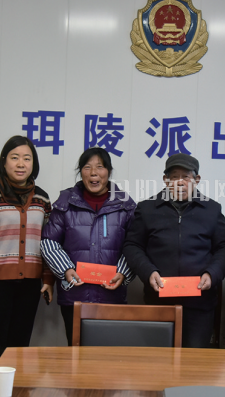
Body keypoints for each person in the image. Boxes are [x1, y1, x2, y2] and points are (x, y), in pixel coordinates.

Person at [123, 153, 225, 348]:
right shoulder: (147, 209)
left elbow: (224, 247)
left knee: (194, 360)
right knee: (159, 360)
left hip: (200, 303)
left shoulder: (212, 210)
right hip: (159, 301)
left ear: (197, 179)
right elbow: (132, 245)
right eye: (174, 177)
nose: (180, 182)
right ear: (166, 180)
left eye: (186, 177)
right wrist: (148, 272)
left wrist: (212, 273)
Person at [0, 135, 53, 387]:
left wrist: (48, 278)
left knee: (20, 347)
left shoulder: (42, 199)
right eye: (15, 157)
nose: (21, 163)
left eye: (27, 158)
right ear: (4, 161)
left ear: (33, 164)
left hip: (29, 284)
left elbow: (49, 242)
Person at [40, 147, 136, 345]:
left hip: (111, 295)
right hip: (75, 295)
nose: (93, 173)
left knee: (107, 354)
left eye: (100, 167)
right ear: (80, 172)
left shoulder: (125, 205)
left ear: (108, 171)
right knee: (76, 352)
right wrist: (65, 269)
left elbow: (135, 244)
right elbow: (48, 241)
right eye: (87, 167)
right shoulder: (65, 203)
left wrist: (123, 272)